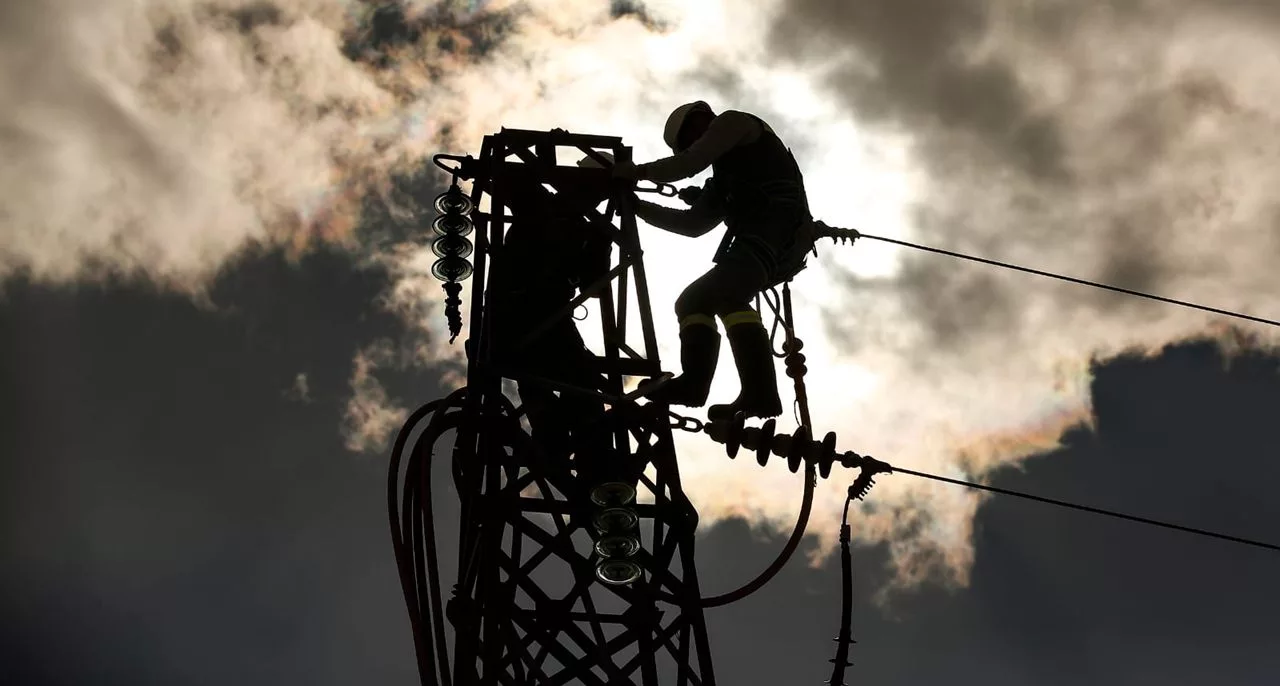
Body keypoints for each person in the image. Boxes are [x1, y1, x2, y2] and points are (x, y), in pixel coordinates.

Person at [613, 101, 815, 421]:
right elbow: (693, 225)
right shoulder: (723, 178)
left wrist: (638, 172)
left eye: (691, 138)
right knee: (692, 302)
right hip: (768, 239)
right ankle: (702, 386)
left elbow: (689, 163)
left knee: (725, 295)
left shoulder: (735, 123)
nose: (695, 144)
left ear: (701, 118)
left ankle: (756, 393)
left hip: (778, 230)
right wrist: (638, 208)